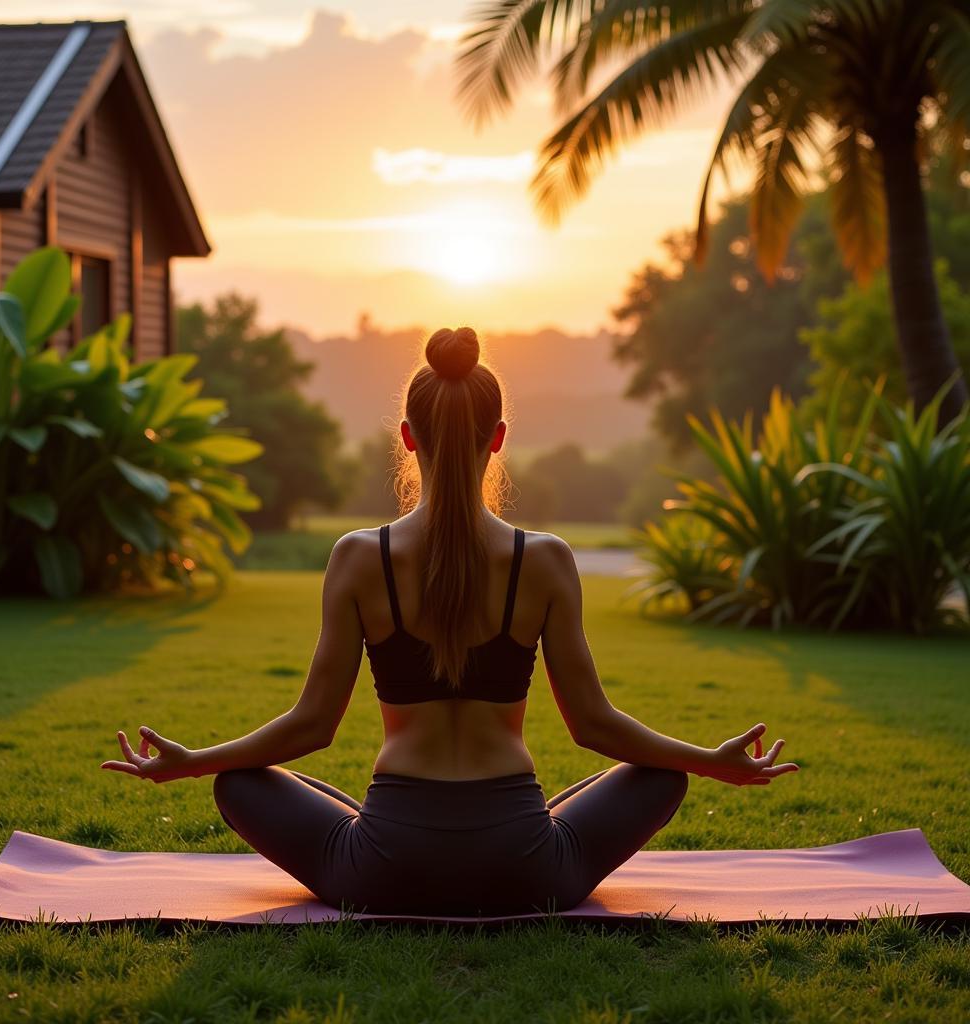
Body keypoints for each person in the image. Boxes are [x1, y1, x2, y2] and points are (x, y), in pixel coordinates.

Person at [102, 326, 799, 916]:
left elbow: (312, 727)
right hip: (526, 872)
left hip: (384, 872)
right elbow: (594, 726)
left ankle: (381, 829)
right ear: (498, 438)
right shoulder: (546, 561)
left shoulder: (357, 558)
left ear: (407, 438)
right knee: (660, 774)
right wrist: (708, 763)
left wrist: (197, 764)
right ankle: (525, 831)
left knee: (241, 780)